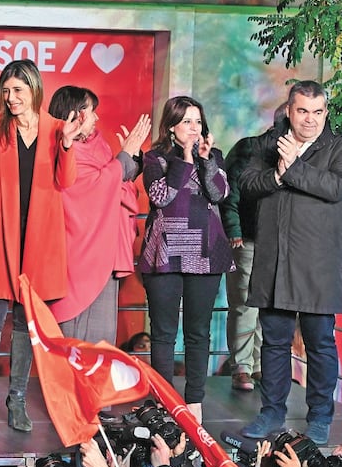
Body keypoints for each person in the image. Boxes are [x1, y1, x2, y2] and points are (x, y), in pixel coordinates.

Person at [0, 59, 81, 433]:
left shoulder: (57, 129)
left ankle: (16, 400)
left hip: (39, 240)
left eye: (17, 90)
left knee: (24, 323)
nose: (10, 97)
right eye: (5, 90)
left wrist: (66, 145)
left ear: (34, 89)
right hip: (1, 237)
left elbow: (66, 180)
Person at [238, 80, 342, 446]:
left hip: (317, 267)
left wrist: (294, 166)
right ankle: (271, 412)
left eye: (317, 112)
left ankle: (319, 418)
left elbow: (335, 188)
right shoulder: (268, 144)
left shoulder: (338, 147)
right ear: (289, 110)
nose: (310, 120)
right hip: (275, 263)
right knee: (274, 343)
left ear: (325, 113)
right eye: (302, 111)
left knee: (320, 345)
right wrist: (279, 174)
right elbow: (248, 183)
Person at [138, 95, 234, 424]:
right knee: (164, 332)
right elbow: (161, 197)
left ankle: (194, 400)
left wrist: (204, 161)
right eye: (187, 122)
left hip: (206, 253)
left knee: (198, 331)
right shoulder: (154, 157)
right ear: (172, 127)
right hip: (165, 252)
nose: (194, 128)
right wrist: (185, 159)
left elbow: (219, 194)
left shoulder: (215, 155)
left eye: (198, 122)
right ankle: (164, 400)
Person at [46, 85, 150, 343]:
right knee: (73, 337)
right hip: (76, 250)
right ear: (77, 115)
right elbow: (93, 186)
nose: (97, 118)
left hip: (104, 247)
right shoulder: (61, 148)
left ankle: (95, 383)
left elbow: (116, 179)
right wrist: (124, 157)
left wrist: (132, 156)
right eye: (92, 112)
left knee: (101, 336)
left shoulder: (97, 144)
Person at [220, 103, 286, 392]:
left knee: (268, 304)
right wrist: (233, 228)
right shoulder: (250, 148)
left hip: (279, 241)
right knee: (245, 304)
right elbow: (229, 190)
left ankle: (259, 366)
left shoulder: (302, 153)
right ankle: (242, 367)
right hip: (246, 237)